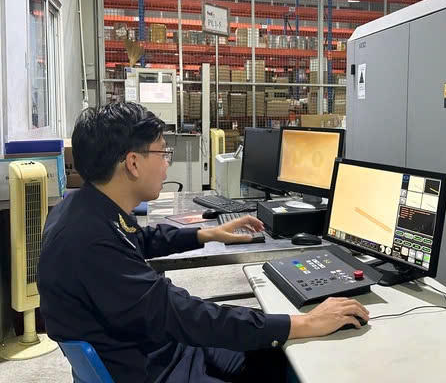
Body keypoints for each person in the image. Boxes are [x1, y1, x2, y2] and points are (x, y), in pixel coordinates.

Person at [38, 102, 368, 383]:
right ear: (133, 163)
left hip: (155, 350)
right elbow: (184, 316)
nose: (167, 162)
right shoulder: (90, 242)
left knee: (273, 349)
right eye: (162, 152)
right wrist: (303, 322)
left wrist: (206, 234)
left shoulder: (84, 208)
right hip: (157, 369)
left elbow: (141, 238)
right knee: (287, 348)